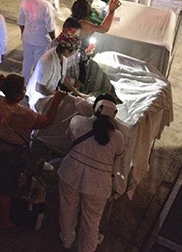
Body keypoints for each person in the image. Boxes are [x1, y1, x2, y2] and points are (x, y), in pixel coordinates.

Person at [0, 74, 67, 230]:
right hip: (8, 150)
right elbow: (47, 121)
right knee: (4, 187)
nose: (25, 90)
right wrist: (57, 99)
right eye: (23, 89)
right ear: (17, 96)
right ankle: (4, 221)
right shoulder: (22, 113)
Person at [59, 94, 124, 252]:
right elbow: (118, 155)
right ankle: (87, 249)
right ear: (114, 114)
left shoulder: (77, 121)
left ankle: (67, 241)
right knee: (92, 221)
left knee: (67, 210)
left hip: (70, 173)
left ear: (94, 107)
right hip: (98, 184)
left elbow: (69, 136)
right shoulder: (118, 136)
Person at [26, 32, 82, 110]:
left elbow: (62, 76)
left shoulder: (62, 58)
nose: (74, 54)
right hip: (38, 98)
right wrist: (59, 98)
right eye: (74, 52)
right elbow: (39, 88)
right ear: (66, 51)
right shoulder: (48, 62)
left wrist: (77, 93)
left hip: (49, 95)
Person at [18, 0, 56, 83]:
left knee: (27, 62)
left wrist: (23, 34)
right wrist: (54, 40)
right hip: (41, 40)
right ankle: (34, 85)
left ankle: (24, 84)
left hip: (27, 38)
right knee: (38, 64)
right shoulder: (46, 5)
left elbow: (21, 22)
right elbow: (50, 27)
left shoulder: (25, 1)